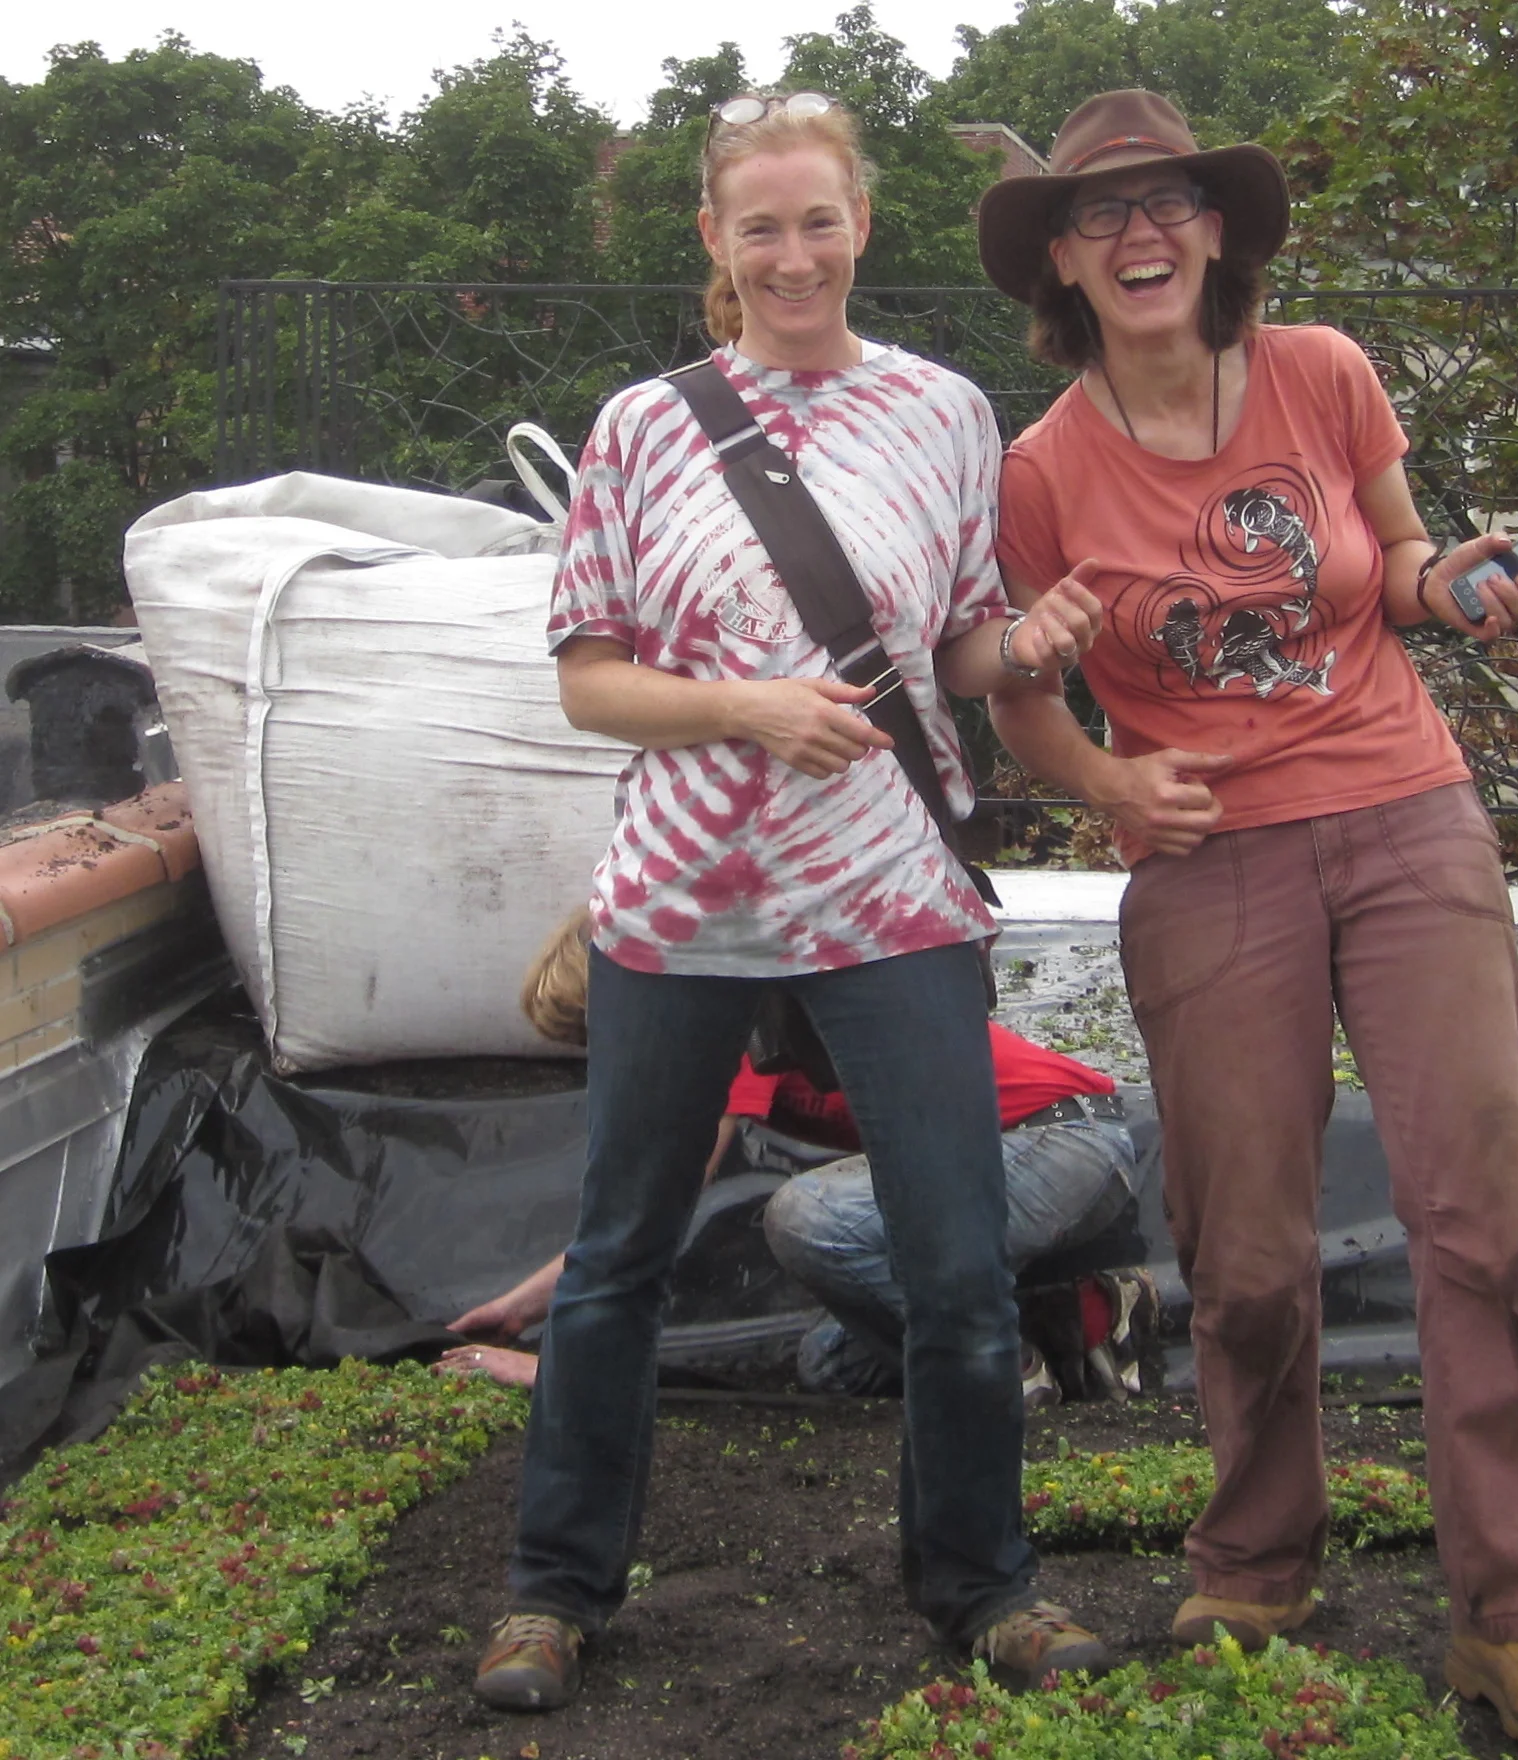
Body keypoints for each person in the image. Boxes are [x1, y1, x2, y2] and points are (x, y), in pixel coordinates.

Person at [976, 90, 1518, 1752]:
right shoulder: (1040, 469)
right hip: (1211, 868)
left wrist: (1455, 583)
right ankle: (1256, 1554)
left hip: (1405, 816)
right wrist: (1107, 790)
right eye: (1103, 213)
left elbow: (1394, 565)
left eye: (1169, 203)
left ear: (1215, 232)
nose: (1140, 234)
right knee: (1243, 1248)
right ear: (1060, 254)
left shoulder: (1327, 373)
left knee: (1480, 1216)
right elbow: (1018, 699)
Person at [474, 89, 1111, 1714]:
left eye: (816, 220)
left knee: (959, 1266)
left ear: (859, 227)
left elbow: (953, 651)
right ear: (714, 239)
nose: (791, 252)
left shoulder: (942, 414)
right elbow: (591, 686)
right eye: (758, 225)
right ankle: (555, 1591)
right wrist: (743, 708)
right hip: (680, 901)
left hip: (891, 897)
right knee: (619, 1253)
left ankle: (985, 1589)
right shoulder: (642, 427)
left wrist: (1029, 649)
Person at [439, 909, 1149, 1404]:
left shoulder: (735, 1021)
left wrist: (558, 1366)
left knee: (808, 1215)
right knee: (833, 1367)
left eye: (605, 1032)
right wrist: (514, 1310)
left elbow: (655, 1210)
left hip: (1062, 1142)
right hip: (1001, 1166)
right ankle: (1068, 1313)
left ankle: (1005, 1374)